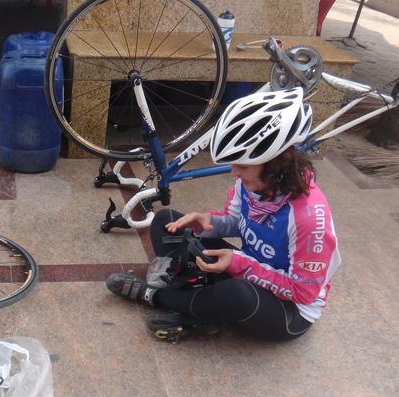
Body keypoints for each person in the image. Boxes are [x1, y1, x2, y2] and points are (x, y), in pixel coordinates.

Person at [107, 87, 341, 343]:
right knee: (167, 221)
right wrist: (209, 222)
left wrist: (238, 264)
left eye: (242, 166)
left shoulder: (309, 220)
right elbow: (237, 222)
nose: (234, 173)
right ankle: (199, 309)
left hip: (287, 309)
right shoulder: (257, 181)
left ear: (278, 162)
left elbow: (303, 292)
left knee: (236, 294)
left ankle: (155, 296)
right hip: (251, 268)